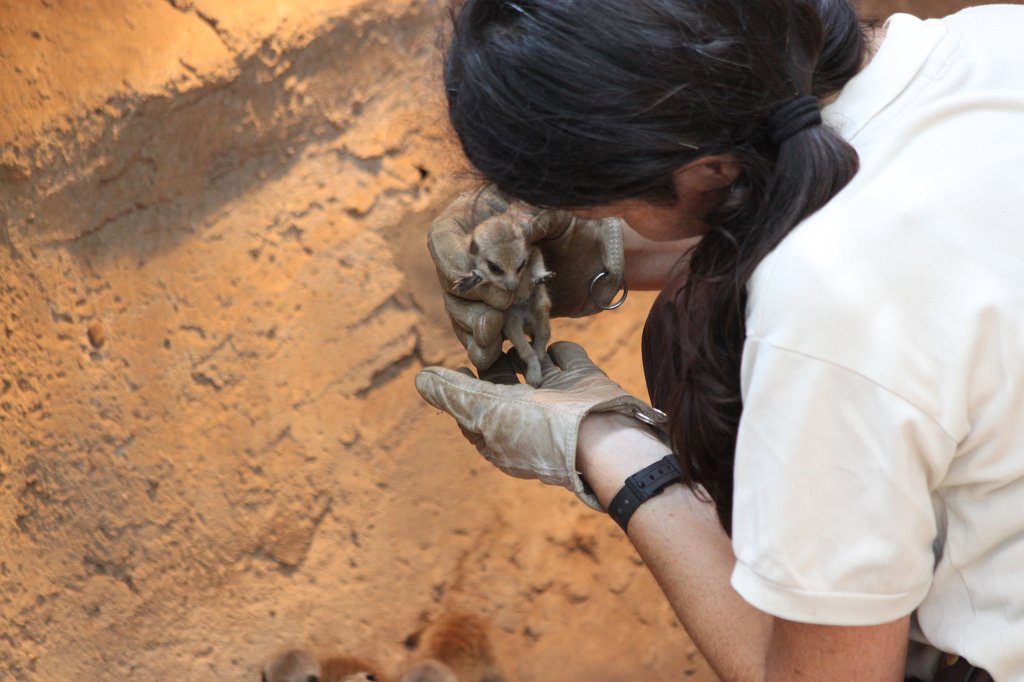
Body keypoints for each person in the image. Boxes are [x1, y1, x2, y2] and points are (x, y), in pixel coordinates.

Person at [414, 1, 1024, 679]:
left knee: (688, 325)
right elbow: (895, 230)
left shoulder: (823, 313)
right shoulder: (995, 33)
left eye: (604, 206)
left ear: (708, 171)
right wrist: (599, 249)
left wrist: (607, 448)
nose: (599, 220)